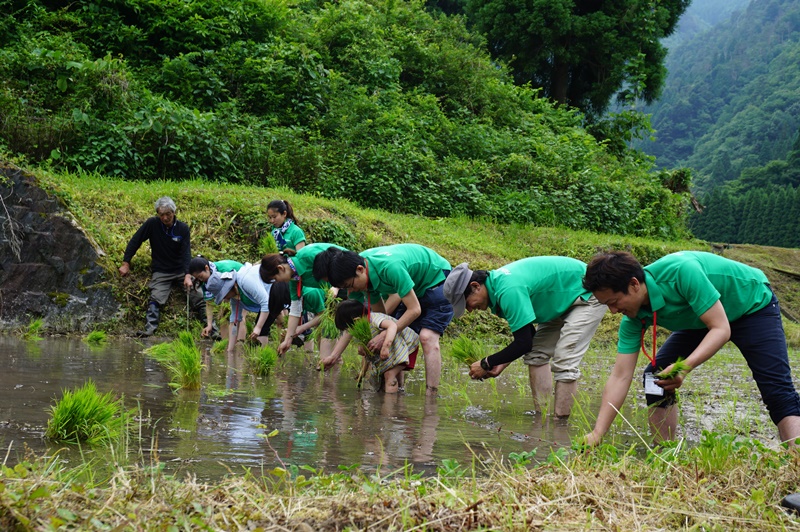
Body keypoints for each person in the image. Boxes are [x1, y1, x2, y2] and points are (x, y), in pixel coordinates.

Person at [581, 250, 800, 446]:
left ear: (634, 284)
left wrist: (684, 367)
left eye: (614, 301)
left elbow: (721, 329)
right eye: (606, 304)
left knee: (776, 388)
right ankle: (665, 452)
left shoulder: (682, 272)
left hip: (750, 304)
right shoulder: (633, 318)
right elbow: (620, 375)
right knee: (655, 377)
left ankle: (795, 461)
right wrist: (598, 432)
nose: (612, 311)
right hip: (701, 317)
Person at [442, 257, 607, 418]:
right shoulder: (497, 292)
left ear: (476, 286)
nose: (470, 310)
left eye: (467, 303)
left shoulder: (508, 290)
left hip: (587, 293)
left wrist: (486, 363)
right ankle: (542, 418)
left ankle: (559, 426)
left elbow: (524, 342)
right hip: (560, 300)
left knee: (565, 360)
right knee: (536, 355)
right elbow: (529, 336)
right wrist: (500, 364)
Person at [319, 243, 453, 395]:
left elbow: (415, 310)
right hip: (413, 286)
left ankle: (431, 398)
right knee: (393, 334)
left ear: (360, 270)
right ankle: (398, 393)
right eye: (346, 288)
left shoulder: (390, 268)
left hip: (437, 278)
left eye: (350, 286)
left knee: (427, 337)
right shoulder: (357, 271)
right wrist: (334, 356)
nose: (351, 291)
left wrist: (384, 335)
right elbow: (361, 322)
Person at [119, 196, 204, 337]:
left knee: (197, 294)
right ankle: (150, 329)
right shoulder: (152, 224)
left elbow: (186, 254)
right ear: (158, 214)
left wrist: (188, 275)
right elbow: (136, 241)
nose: (165, 218)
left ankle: (211, 328)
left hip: (180, 269)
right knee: (156, 297)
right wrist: (126, 262)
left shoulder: (182, 228)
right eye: (161, 215)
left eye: (168, 214)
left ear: (174, 212)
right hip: (161, 271)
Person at [259, 243, 346, 355]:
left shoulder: (308, 255)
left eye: (275, 279)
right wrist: (287, 340)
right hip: (334, 299)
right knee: (327, 345)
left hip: (349, 282)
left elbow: (339, 260)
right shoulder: (295, 281)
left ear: (280, 268)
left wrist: (336, 286)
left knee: (328, 345)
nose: (278, 282)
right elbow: (295, 310)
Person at [334, 299, 420, 393]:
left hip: (407, 344)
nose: (350, 333)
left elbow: (393, 326)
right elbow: (368, 356)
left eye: (349, 329)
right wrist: (363, 372)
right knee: (384, 379)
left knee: (389, 375)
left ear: (356, 320)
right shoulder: (363, 331)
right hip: (395, 347)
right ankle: (397, 397)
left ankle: (390, 405)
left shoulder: (375, 319)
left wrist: (385, 346)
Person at [205, 263, 288, 352]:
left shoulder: (245, 281)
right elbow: (234, 321)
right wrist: (230, 350)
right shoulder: (235, 297)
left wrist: (258, 327)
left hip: (280, 286)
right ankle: (268, 354)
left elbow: (265, 302)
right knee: (262, 329)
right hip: (271, 297)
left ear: (229, 287)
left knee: (262, 328)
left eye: (224, 295)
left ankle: (264, 356)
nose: (225, 298)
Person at [189, 256, 241, 340]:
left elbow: (237, 287)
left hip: (241, 286)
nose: (200, 280)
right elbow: (209, 302)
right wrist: (209, 325)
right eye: (197, 278)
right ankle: (226, 343)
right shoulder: (204, 282)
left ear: (206, 268)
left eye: (200, 276)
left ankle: (239, 343)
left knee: (238, 317)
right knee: (223, 316)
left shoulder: (223, 269)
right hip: (227, 292)